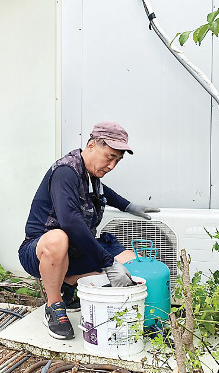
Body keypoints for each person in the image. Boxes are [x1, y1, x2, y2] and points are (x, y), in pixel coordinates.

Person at [18, 121, 159, 339]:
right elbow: (70, 221)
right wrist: (107, 263)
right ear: (92, 146)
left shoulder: (91, 175)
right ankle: (55, 305)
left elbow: (105, 193)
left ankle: (69, 282)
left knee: (133, 264)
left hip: (75, 251)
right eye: (110, 157)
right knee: (58, 238)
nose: (112, 166)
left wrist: (129, 206)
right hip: (39, 251)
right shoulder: (65, 172)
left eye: (117, 161)